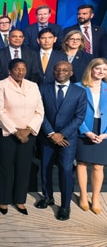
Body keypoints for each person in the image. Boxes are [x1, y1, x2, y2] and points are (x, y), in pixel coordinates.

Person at [0, 58, 44, 215]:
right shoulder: (0, 85)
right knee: (5, 167)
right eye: (17, 69)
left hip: (28, 134)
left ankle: (20, 200)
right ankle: (3, 199)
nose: (20, 72)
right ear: (9, 70)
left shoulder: (33, 86)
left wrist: (28, 129)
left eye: (23, 69)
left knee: (24, 167)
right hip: (7, 133)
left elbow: (40, 111)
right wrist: (16, 131)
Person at [37, 61, 86, 220]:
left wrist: (62, 134)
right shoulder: (43, 88)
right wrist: (51, 133)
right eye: (57, 70)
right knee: (45, 168)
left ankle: (65, 206)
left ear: (71, 72)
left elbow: (79, 117)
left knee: (65, 170)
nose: (61, 72)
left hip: (67, 139)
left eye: (65, 70)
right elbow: (40, 112)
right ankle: (47, 197)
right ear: (53, 71)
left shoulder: (79, 92)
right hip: (47, 136)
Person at [75, 58, 107, 214]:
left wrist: (105, 134)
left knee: (98, 166)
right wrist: (86, 131)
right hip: (84, 128)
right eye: (98, 69)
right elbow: (74, 113)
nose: (101, 72)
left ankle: (95, 198)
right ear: (91, 69)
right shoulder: (78, 87)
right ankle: (82, 195)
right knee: (82, 163)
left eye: (104, 69)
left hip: (103, 130)